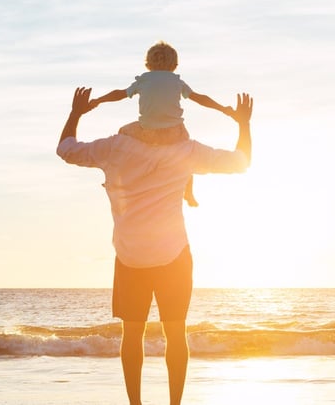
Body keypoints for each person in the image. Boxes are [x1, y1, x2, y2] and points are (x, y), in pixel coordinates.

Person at [57, 86, 253, 405]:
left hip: (131, 255)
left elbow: (66, 149)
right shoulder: (185, 150)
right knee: (175, 334)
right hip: (173, 255)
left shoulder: (115, 147)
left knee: (132, 335)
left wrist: (76, 113)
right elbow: (240, 162)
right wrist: (243, 123)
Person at [89, 41, 233, 206]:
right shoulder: (177, 81)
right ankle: (189, 192)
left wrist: (98, 100)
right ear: (175, 65)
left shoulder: (143, 80)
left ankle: (115, 177)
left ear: (148, 64)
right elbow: (200, 98)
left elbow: (119, 94)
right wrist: (222, 108)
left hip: (146, 132)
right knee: (187, 158)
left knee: (122, 133)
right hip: (175, 133)